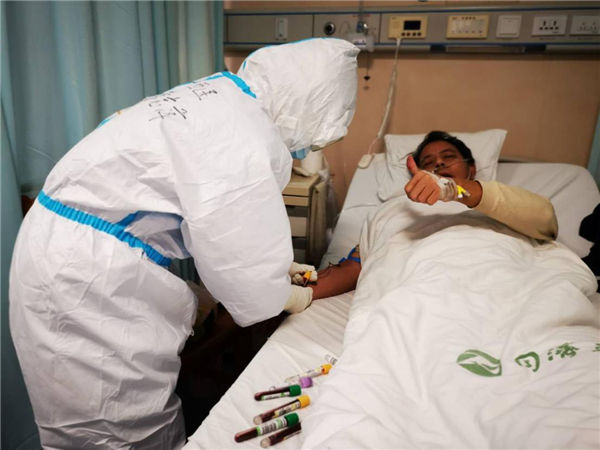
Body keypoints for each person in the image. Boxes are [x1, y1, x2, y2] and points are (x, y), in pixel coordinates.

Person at [8, 38, 358, 448]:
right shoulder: (243, 136)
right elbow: (253, 292)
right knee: (118, 426)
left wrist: (273, 271)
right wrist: (294, 292)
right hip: (84, 275)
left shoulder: (220, 96)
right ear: (309, 107)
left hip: (62, 246)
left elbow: (215, 227)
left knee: (83, 412)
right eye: (313, 139)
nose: (303, 149)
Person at [308, 130, 558, 299]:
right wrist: (297, 292)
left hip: (500, 283)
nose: (438, 164)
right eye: (428, 162)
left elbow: (546, 220)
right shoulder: (391, 210)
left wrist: (453, 190)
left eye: (448, 157)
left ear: (471, 168)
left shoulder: (498, 201)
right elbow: (353, 267)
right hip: (418, 290)